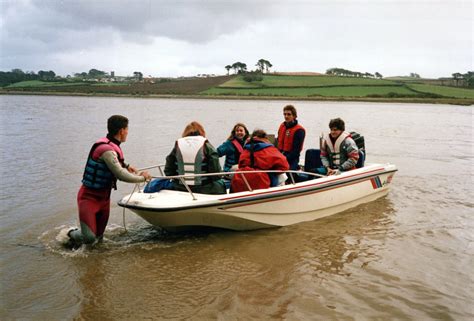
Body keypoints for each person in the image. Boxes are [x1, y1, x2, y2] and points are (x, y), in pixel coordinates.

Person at [68, 115, 151, 246]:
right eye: (127, 129)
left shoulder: (112, 146)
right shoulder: (105, 149)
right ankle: (71, 234)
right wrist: (143, 178)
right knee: (90, 238)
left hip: (104, 199)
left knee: (99, 239)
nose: (128, 132)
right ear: (122, 130)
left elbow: (116, 162)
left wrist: (127, 166)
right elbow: (120, 174)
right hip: (88, 198)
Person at [164, 121, 226, 194]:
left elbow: (168, 170)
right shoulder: (206, 145)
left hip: (180, 187)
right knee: (221, 184)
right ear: (202, 132)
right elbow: (216, 173)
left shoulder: (178, 145)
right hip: (204, 188)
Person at [277, 104, 306, 170]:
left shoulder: (299, 130)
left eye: (289, 114)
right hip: (280, 155)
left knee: (289, 173)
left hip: (292, 159)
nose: (286, 116)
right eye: (284, 114)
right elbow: (278, 142)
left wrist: (283, 159)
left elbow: (296, 151)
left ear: (294, 116)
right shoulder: (282, 126)